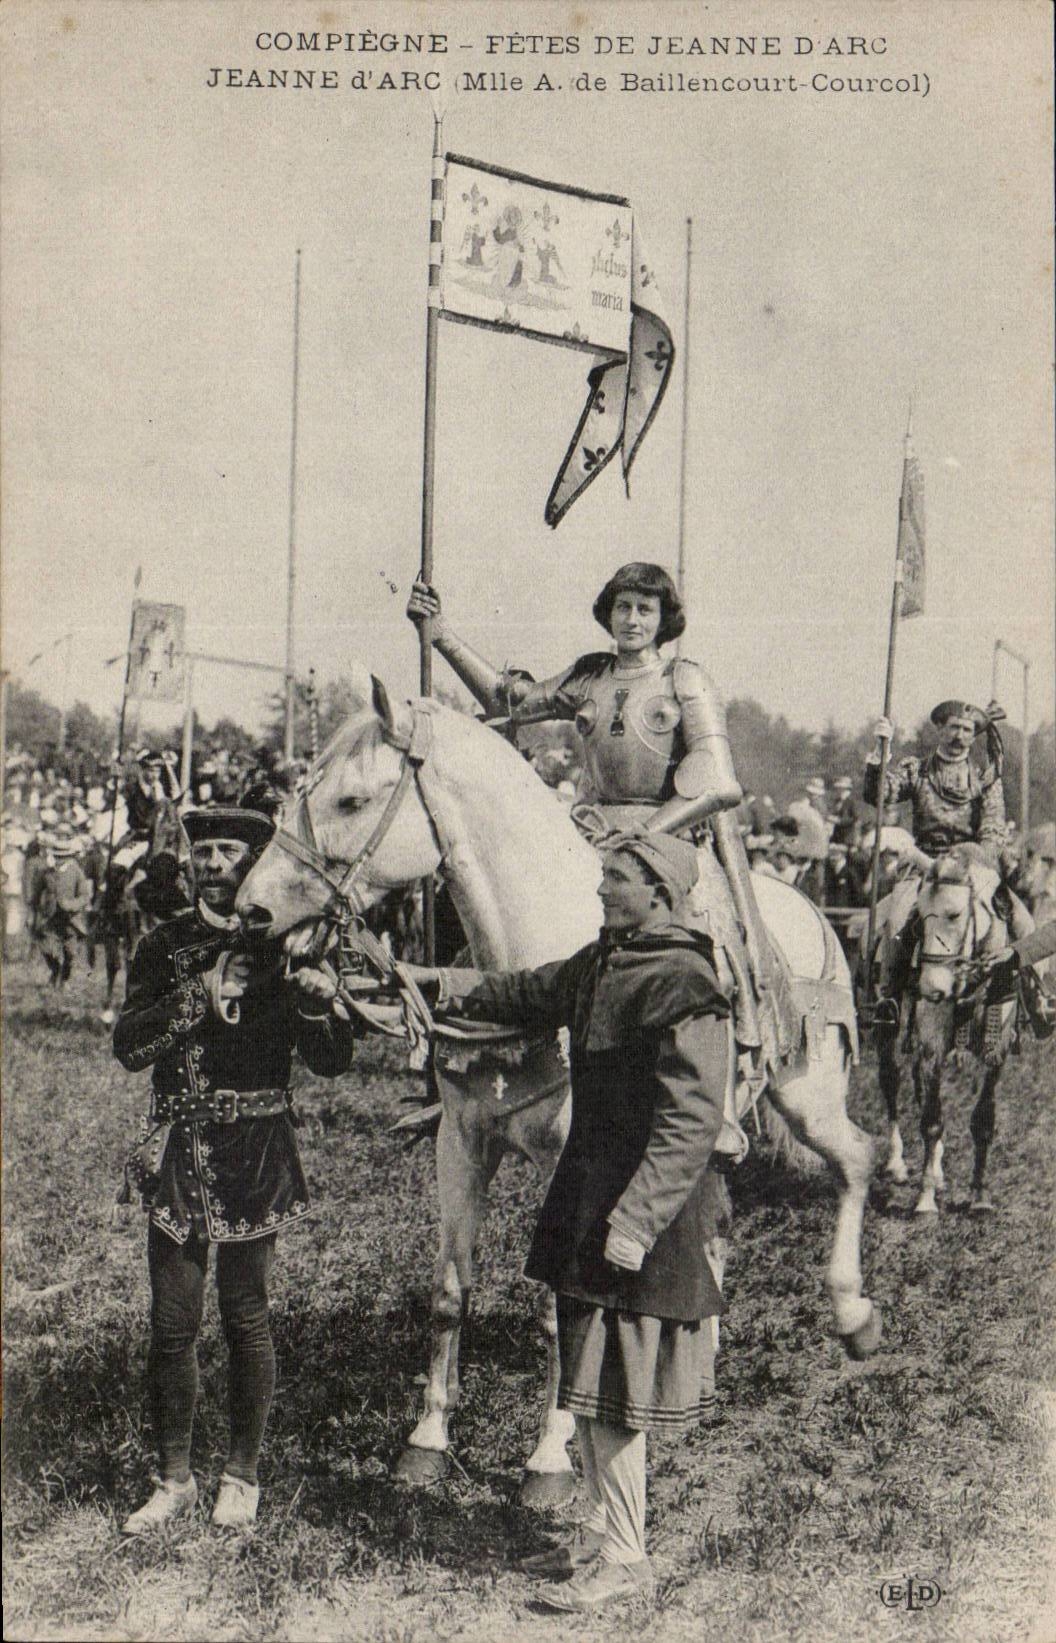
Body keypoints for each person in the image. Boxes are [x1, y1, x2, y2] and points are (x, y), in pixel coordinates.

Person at [402, 833, 731, 1612]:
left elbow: (691, 1120)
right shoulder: (602, 960)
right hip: (588, 1195)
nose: (601, 888)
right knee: (586, 1375)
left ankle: (624, 1553)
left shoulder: (686, 981)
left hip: (637, 1212)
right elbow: (525, 991)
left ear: (659, 890)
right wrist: (437, 979)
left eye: (616, 877)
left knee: (615, 1386)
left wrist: (639, 1221)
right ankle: (602, 1525)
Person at [407, 562, 777, 1075]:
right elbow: (506, 700)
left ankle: (722, 1081)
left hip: (668, 839)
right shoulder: (590, 675)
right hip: (590, 832)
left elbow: (717, 780)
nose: (632, 619)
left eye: (645, 610)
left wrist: (644, 833)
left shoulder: (683, 680)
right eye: (623, 607)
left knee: (705, 945)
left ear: (663, 618)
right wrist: (441, 633)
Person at [112, 802, 358, 1534]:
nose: (216, 863)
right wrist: (196, 997)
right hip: (179, 1150)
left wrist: (320, 1004)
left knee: (247, 1315)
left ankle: (242, 1474)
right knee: (170, 1324)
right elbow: (128, 1045)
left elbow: (335, 1060)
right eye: (205, 851)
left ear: (255, 864)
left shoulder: (291, 942)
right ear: (189, 861)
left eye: (230, 852)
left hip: (257, 1148)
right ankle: (174, 1479)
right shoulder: (163, 945)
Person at [862, 700, 1032, 1007]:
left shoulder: (984, 776)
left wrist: (977, 859)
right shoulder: (917, 770)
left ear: (974, 735)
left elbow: (993, 828)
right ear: (940, 729)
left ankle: (1027, 1001)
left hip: (972, 866)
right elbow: (879, 796)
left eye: (967, 730)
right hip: (924, 866)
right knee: (895, 921)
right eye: (953, 727)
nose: (960, 735)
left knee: (1022, 921)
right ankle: (888, 999)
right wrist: (880, 757)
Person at [35, 821, 92, 986]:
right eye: (58, 856)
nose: (60, 860)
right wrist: (38, 908)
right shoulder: (48, 872)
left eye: (64, 856)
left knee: (70, 952)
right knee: (45, 946)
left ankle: (64, 979)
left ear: (70, 856)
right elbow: (38, 891)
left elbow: (84, 896)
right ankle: (55, 970)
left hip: (70, 918)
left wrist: (71, 905)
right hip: (51, 916)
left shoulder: (76, 871)